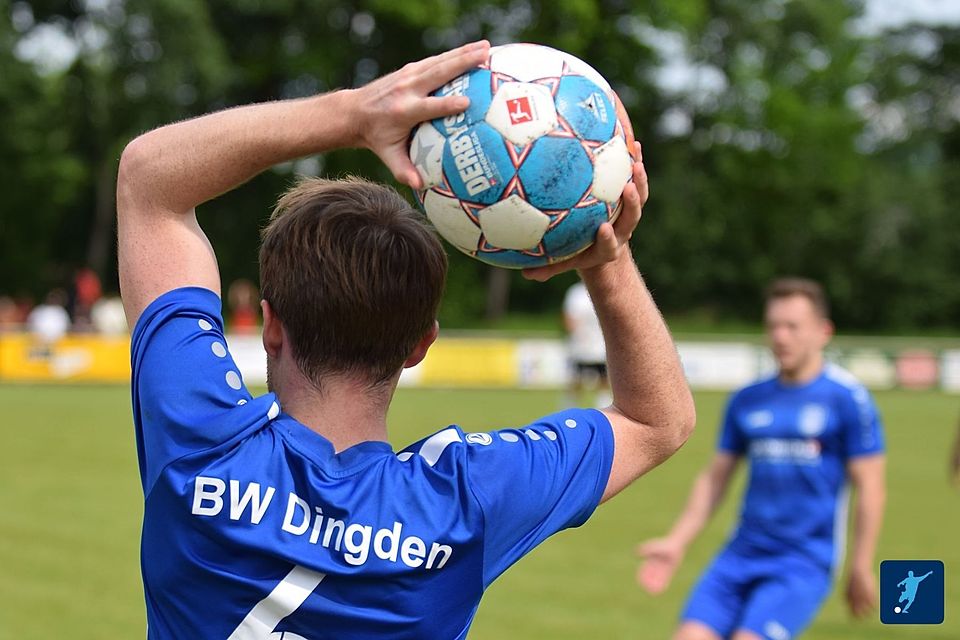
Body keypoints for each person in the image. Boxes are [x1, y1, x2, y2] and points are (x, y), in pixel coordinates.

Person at [117, 40, 695, 639]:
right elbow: (659, 420)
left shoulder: (201, 439)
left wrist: (353, 114)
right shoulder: (467, 499)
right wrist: (605, 255)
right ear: (422, 344)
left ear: (271, 325)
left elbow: (149, 181)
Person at [636, 278, 886, 640]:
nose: (781, 337)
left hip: (803, 562)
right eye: (773, 326)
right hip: (740, 554)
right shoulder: (747, 399)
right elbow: (715, 478)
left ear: (823, 332)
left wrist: (862, 564)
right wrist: (677, 540)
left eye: (792, 327)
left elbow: (871, 488)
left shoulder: (848, 399)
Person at [563, 280, 610, 407]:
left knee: (604, 377)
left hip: (601, 344)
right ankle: (569, 406)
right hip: (581, 344)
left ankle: (604, 406)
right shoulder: (576, 293)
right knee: (577, 378)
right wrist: (577, 335)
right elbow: (569, 317)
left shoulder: (604, 288)